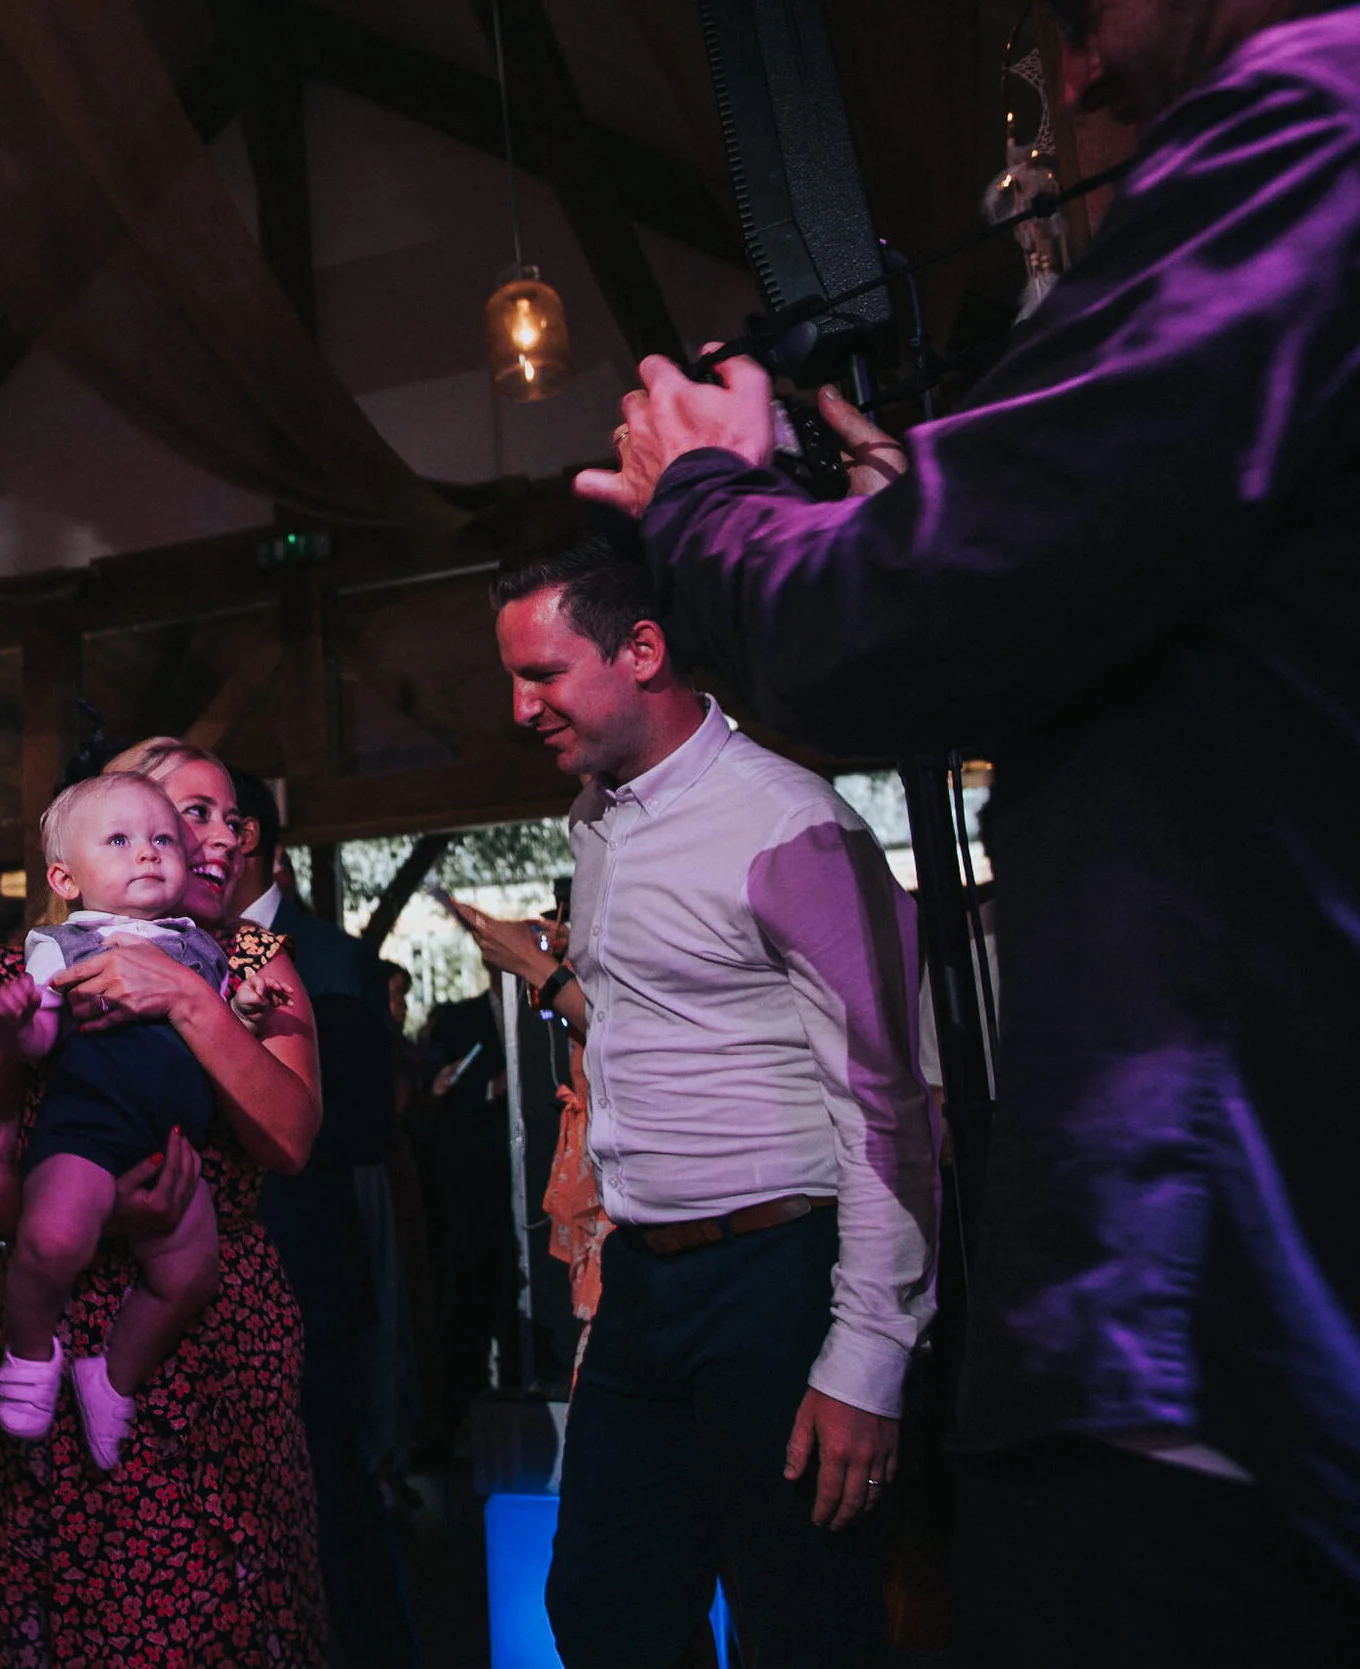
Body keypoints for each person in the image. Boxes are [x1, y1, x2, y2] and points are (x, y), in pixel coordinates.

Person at [575, 5, 1360, 1657]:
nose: (1059, 74)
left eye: (1071, 22)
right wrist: (912, 524)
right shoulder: (596, 831)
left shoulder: (1317, 114)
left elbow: (888, 1071)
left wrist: (712, 505)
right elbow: (1180, 649)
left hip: (1218, 1269)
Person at [486, 535, 937, 1669]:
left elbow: (890, 1099)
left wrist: (867, 1353)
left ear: (641, 649)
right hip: (644, 1280)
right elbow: (655, 1025)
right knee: (604, 1610)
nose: (518, 706)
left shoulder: (788, 821)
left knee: (803, 1626)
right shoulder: (597, 818)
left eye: (542, 674)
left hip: (780, 1274)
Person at [0, 737, 327, 1669]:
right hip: (64, 1313)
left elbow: (289, 1139)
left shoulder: (255, 963)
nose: (218, 838)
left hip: (219, 1338)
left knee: (226, 1623)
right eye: (189, 814)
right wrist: (107, 1213)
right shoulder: (28, 971)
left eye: (228, 816)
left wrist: (192, 1003)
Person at [0, 772, 258, 1468]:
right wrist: (21, 1027)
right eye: (121, 840)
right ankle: (30, 1348)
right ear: (66, 876)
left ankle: (110, 1375)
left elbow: (223, 1034)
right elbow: (44, 1039)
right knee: (52, 1238)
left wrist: (248, 1016)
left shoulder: (203, 948)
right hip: (88, 1128)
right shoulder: (61, 943)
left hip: (173, 1144)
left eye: (163, 839)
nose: (148, 853)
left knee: (191, 1271)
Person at [226, 771, 421, 1667]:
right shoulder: (182, 944)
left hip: (299, 1264)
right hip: (202, 1277)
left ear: (252, 834)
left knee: (330, 1501)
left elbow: (365, 1125)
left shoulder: (331, 958)